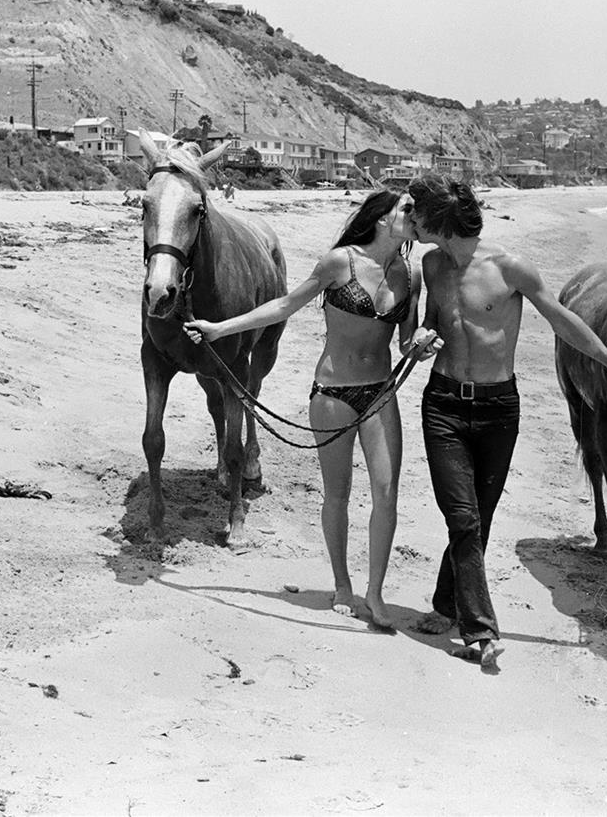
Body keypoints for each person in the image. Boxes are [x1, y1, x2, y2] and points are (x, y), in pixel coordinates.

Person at [405, 174, 607, 668]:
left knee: (479, 517)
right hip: (444, 403)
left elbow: (565, 321)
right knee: (463, 516)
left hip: (498, 408)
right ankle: (481, 630)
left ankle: (446, 602)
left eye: (417, 213)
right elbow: (436, 319)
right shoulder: (431, 265)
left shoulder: (509, 267)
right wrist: (420, 338)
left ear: (440, 221)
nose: (409, 220)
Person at [183, 191, 429, 630]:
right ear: (380, 219)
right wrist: (221, 328)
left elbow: (406, 341)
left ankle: (374, 592)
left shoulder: (411, 273)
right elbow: (285, 305)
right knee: (338, 494)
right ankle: (341, 584)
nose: (415, 217)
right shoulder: (340, 262)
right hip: (333, 393)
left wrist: (422, 347)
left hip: (380, 393)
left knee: (386, 493)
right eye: (407, 210)